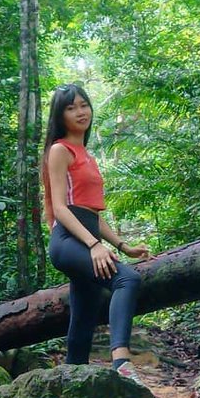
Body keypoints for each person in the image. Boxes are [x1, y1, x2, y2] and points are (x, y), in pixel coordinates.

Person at [41, 83, 152, 381]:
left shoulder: (85, 154)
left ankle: (71, 381)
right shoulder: (59, 150)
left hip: (86, 235)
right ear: (59, 115)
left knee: (84, 316)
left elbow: (92, 213)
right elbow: (62, 208)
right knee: (127, 279)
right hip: (67, 240)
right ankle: (121, 362)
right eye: (70, 107)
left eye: (83, 104)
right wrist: (93, 245)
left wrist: (122, 245)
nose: (80, 112)